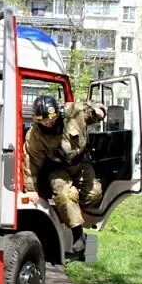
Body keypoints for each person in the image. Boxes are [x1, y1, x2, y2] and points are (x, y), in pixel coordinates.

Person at [23, 95, 106, 254]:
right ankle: (77, 235)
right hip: (57, 169)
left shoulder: (73, 112)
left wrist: (99, 111)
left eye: (51, 119)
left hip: (80, 163)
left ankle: (72, 211)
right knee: (65, 195)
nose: (48, 123)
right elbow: (31, 162)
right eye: (44, 121)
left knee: (95, 194)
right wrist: (31, 189)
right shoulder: (35, 135)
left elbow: (92, 107)